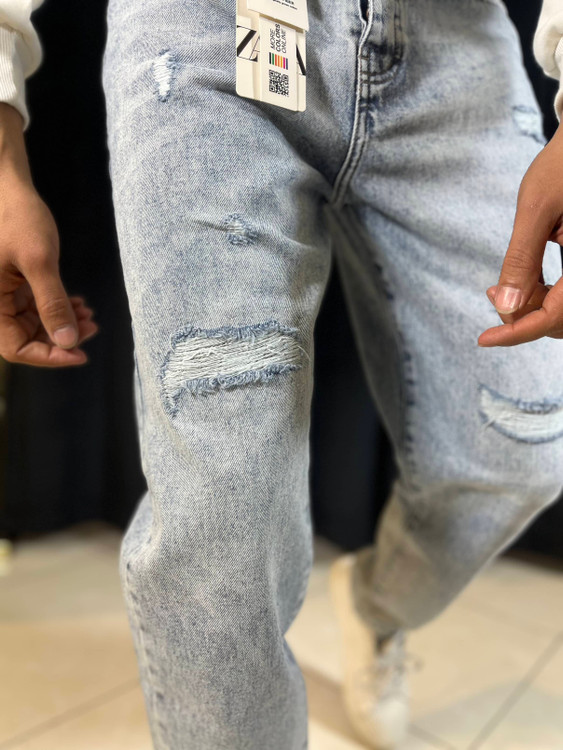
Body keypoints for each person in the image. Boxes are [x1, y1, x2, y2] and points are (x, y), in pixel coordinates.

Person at [1, 0, 563, 748]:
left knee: (519, 448)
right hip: (204, 36)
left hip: (455, 56)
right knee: (222, 517)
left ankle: (377, 605)